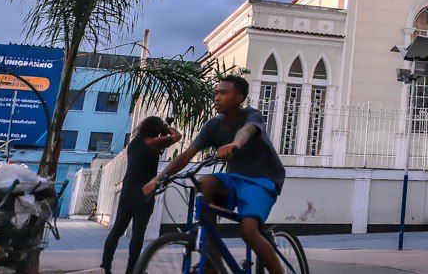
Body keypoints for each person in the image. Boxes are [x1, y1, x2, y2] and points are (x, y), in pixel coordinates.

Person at [143, 75, 287, 274]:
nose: (217, 97)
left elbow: (247, 130)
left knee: (248, 230)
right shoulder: (212, 126)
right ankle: (211, 261)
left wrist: (235, 143)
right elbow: (186, 155)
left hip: (262, 179)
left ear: (239, 98)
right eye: (216, 93)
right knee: (206, 183)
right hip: (235, 178)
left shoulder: (252, 115)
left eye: (223, 93)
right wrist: (158, 179)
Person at [100, 116, 181, 274]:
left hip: (127, 191)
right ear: (156, 130)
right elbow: (177, 136)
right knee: (138, 233)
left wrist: (161, 128)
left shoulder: (133, 145)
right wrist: (166, 125)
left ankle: (106, 264)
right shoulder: (154, 143)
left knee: (117, 230)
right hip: (144, 193)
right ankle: (132, 269)